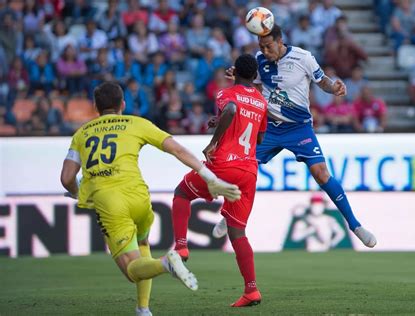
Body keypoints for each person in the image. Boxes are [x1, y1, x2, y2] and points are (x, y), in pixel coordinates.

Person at [60, 82, 241, 316]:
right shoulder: (136, 123)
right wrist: (208, 176)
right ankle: (143, 308)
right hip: (140, 198)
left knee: (132, 270)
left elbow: (66, 178)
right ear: (122, 104)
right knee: (143, 245)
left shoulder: (81, 133)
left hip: (110, 203)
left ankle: (165, 263)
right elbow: (177, 149)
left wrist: (78, 193)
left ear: (95, 107)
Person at [214, 24, 376, 248]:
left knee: (321, 173)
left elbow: (322, 82)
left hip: (298, 128)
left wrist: (335, 87)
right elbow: (254, 89)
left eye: (268, 46)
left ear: (280, 42)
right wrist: (239, 77)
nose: (265, 51)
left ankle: (355, 224)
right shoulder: (260, 60)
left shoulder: (303, 58)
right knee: (242, 168)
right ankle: (228, 215)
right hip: (268, 126)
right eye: (261, 46)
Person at [170, 54, 267, 307]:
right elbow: (257, 138)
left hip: (224, 164)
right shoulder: (260, 100)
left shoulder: (226, 94)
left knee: (182, 193)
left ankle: (181, 246)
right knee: (238, 233)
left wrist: (214, 142)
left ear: (236, 72)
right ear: (255, 74)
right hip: (248, 172)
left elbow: (233, 110)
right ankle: (251, 290)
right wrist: (223, 122)